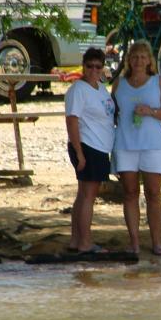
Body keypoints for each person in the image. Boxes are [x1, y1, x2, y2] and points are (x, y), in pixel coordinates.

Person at [111, 40, 161, 255]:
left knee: (153, 193)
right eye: (135, 57)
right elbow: (111, 113)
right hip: (125, 143)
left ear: (149, 60)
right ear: (128, 60)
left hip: (153, 144)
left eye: (143, 57)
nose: (139, 61)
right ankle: (134, 243)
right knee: (129, 193)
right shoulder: (119, 84)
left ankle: (157, 242)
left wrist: (151, 111)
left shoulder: (159, 81)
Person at [65, 47, 115, 253]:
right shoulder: (78, 89)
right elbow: (72, 120)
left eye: (98, 66)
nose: (94, 69)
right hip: (87, 146)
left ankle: (76, 240)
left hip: (100, 147)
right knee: (88, 196)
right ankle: (85, 242)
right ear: (83, 66)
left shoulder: (100, 87)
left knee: (83, 194)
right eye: (90, 66)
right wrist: (79, 152)